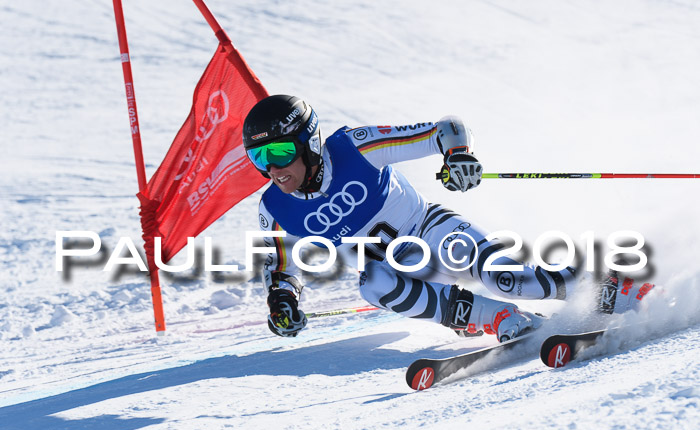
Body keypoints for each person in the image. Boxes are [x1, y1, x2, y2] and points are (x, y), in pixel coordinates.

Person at [243, 95, 652, 341]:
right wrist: (282, 300)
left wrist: (457, 154)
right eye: (259, 158)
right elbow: (279, 266)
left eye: (280, 152)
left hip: (432, 231)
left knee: (510, 279)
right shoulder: (275, 209)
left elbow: (446, 127)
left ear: (308, 142)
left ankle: (616, 287)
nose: (273, 169)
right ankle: (499, 318)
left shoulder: (354, 147)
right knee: (374, 283)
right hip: (405, 274)